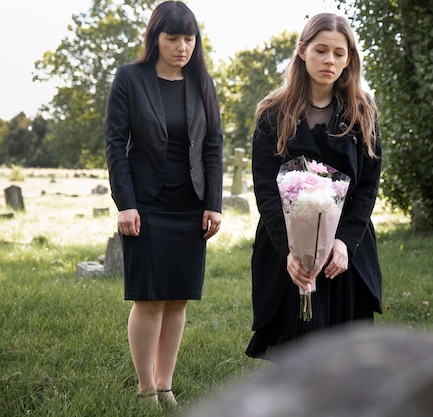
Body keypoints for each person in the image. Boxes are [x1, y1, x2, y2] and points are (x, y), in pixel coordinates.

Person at [104, 1, 223, 406]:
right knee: (149, 298)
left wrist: (214, 203)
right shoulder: (130, 78)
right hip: (146, 204)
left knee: (178, 299)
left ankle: (166, 384)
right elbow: (115, 145)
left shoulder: (202, 82)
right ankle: (145, 389)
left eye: (189, 39)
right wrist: (125, 203)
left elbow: (213, 148)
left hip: (190, 206)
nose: (182, 47)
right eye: (172, 38)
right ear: (155, 38)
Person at [246, 12, 383, 361]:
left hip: (343, 253)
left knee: (345, 359)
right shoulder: (272, 113)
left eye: (339, 53)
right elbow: (265, 188)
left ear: (349, 59)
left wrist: (344, 243)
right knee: (297, 356)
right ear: (302, 51)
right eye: (321, 50)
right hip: (289, 252)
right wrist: (289, 252)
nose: (329, 60)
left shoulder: (362, 113)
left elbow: (367, 186)